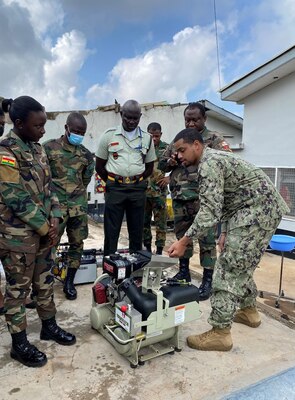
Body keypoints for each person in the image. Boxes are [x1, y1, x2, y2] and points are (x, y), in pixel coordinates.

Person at [168, 128, 289, 352]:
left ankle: (220, 333)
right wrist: (224, 233)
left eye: (183, 150)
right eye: (177, 152)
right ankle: (249, 311)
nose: (180, 156)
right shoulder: (213, 159)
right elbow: (228, 200)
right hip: (252, 210)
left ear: (197, 145)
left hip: (256, 211)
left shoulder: (208, 164)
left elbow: (209, 213)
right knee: (238, 262)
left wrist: (184, 241)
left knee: (227, 268)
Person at [0, 96, 76, 368]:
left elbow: (49, 188)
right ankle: (19, 344)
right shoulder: (5, 153)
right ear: (18, 124)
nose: (43, 131)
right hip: (17, 237)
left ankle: (48, 326)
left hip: (45, 233)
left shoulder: (38, 149)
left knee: (44, 282)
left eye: (44, 125)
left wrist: (55, 217)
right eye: (38, 126)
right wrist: (46, 229)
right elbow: (14, 197)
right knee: (18, 291)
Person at [158, 102, 230, 300]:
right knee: (182, 237)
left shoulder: (214, 139)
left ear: (204, 119)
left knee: (206, 240)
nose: (190, 123)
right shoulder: (178, 139)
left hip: (203, 200)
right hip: (180, 198)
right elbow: (161, 164)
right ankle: (184, 272)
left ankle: (207, 279)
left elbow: (226, 165)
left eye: (195, 119)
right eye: (187, 119)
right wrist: (172, 160)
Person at [44, 112, 95, 300]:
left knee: (77, 244)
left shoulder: (86, 155)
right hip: (55, 209)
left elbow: (86, 178)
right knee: (49, 245)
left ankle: (69, 282)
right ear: (66, 128)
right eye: (75, 131)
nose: (78, 135)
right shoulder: (48, 148)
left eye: (82, 132)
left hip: (77, 209)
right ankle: (44, 284)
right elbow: (43, 177)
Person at [96, 99, 156, 256]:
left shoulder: (147, 138)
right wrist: (113, 181)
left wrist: (137, 180)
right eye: (127, 117)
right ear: (121, 114)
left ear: (140, 117)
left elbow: (149, 167)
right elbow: (99, 166)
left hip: (137, 189)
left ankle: (134, 272)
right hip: (115, 189)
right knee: (111, 231)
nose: (131, 121)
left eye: (135, 118)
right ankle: (110, 270)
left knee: (137, 231)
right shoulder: (108, 136)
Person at [143, 122, 169, 255]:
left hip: (159, 193)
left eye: (156, 136)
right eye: (151, 136)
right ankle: (147, 249)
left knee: (161, 224)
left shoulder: (167, 149)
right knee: (144, 223)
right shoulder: (141, 148)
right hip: (144, 192)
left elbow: (181, 166)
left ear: (161, 135)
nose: (154, 139)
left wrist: (169, 178)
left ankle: (159, 250)